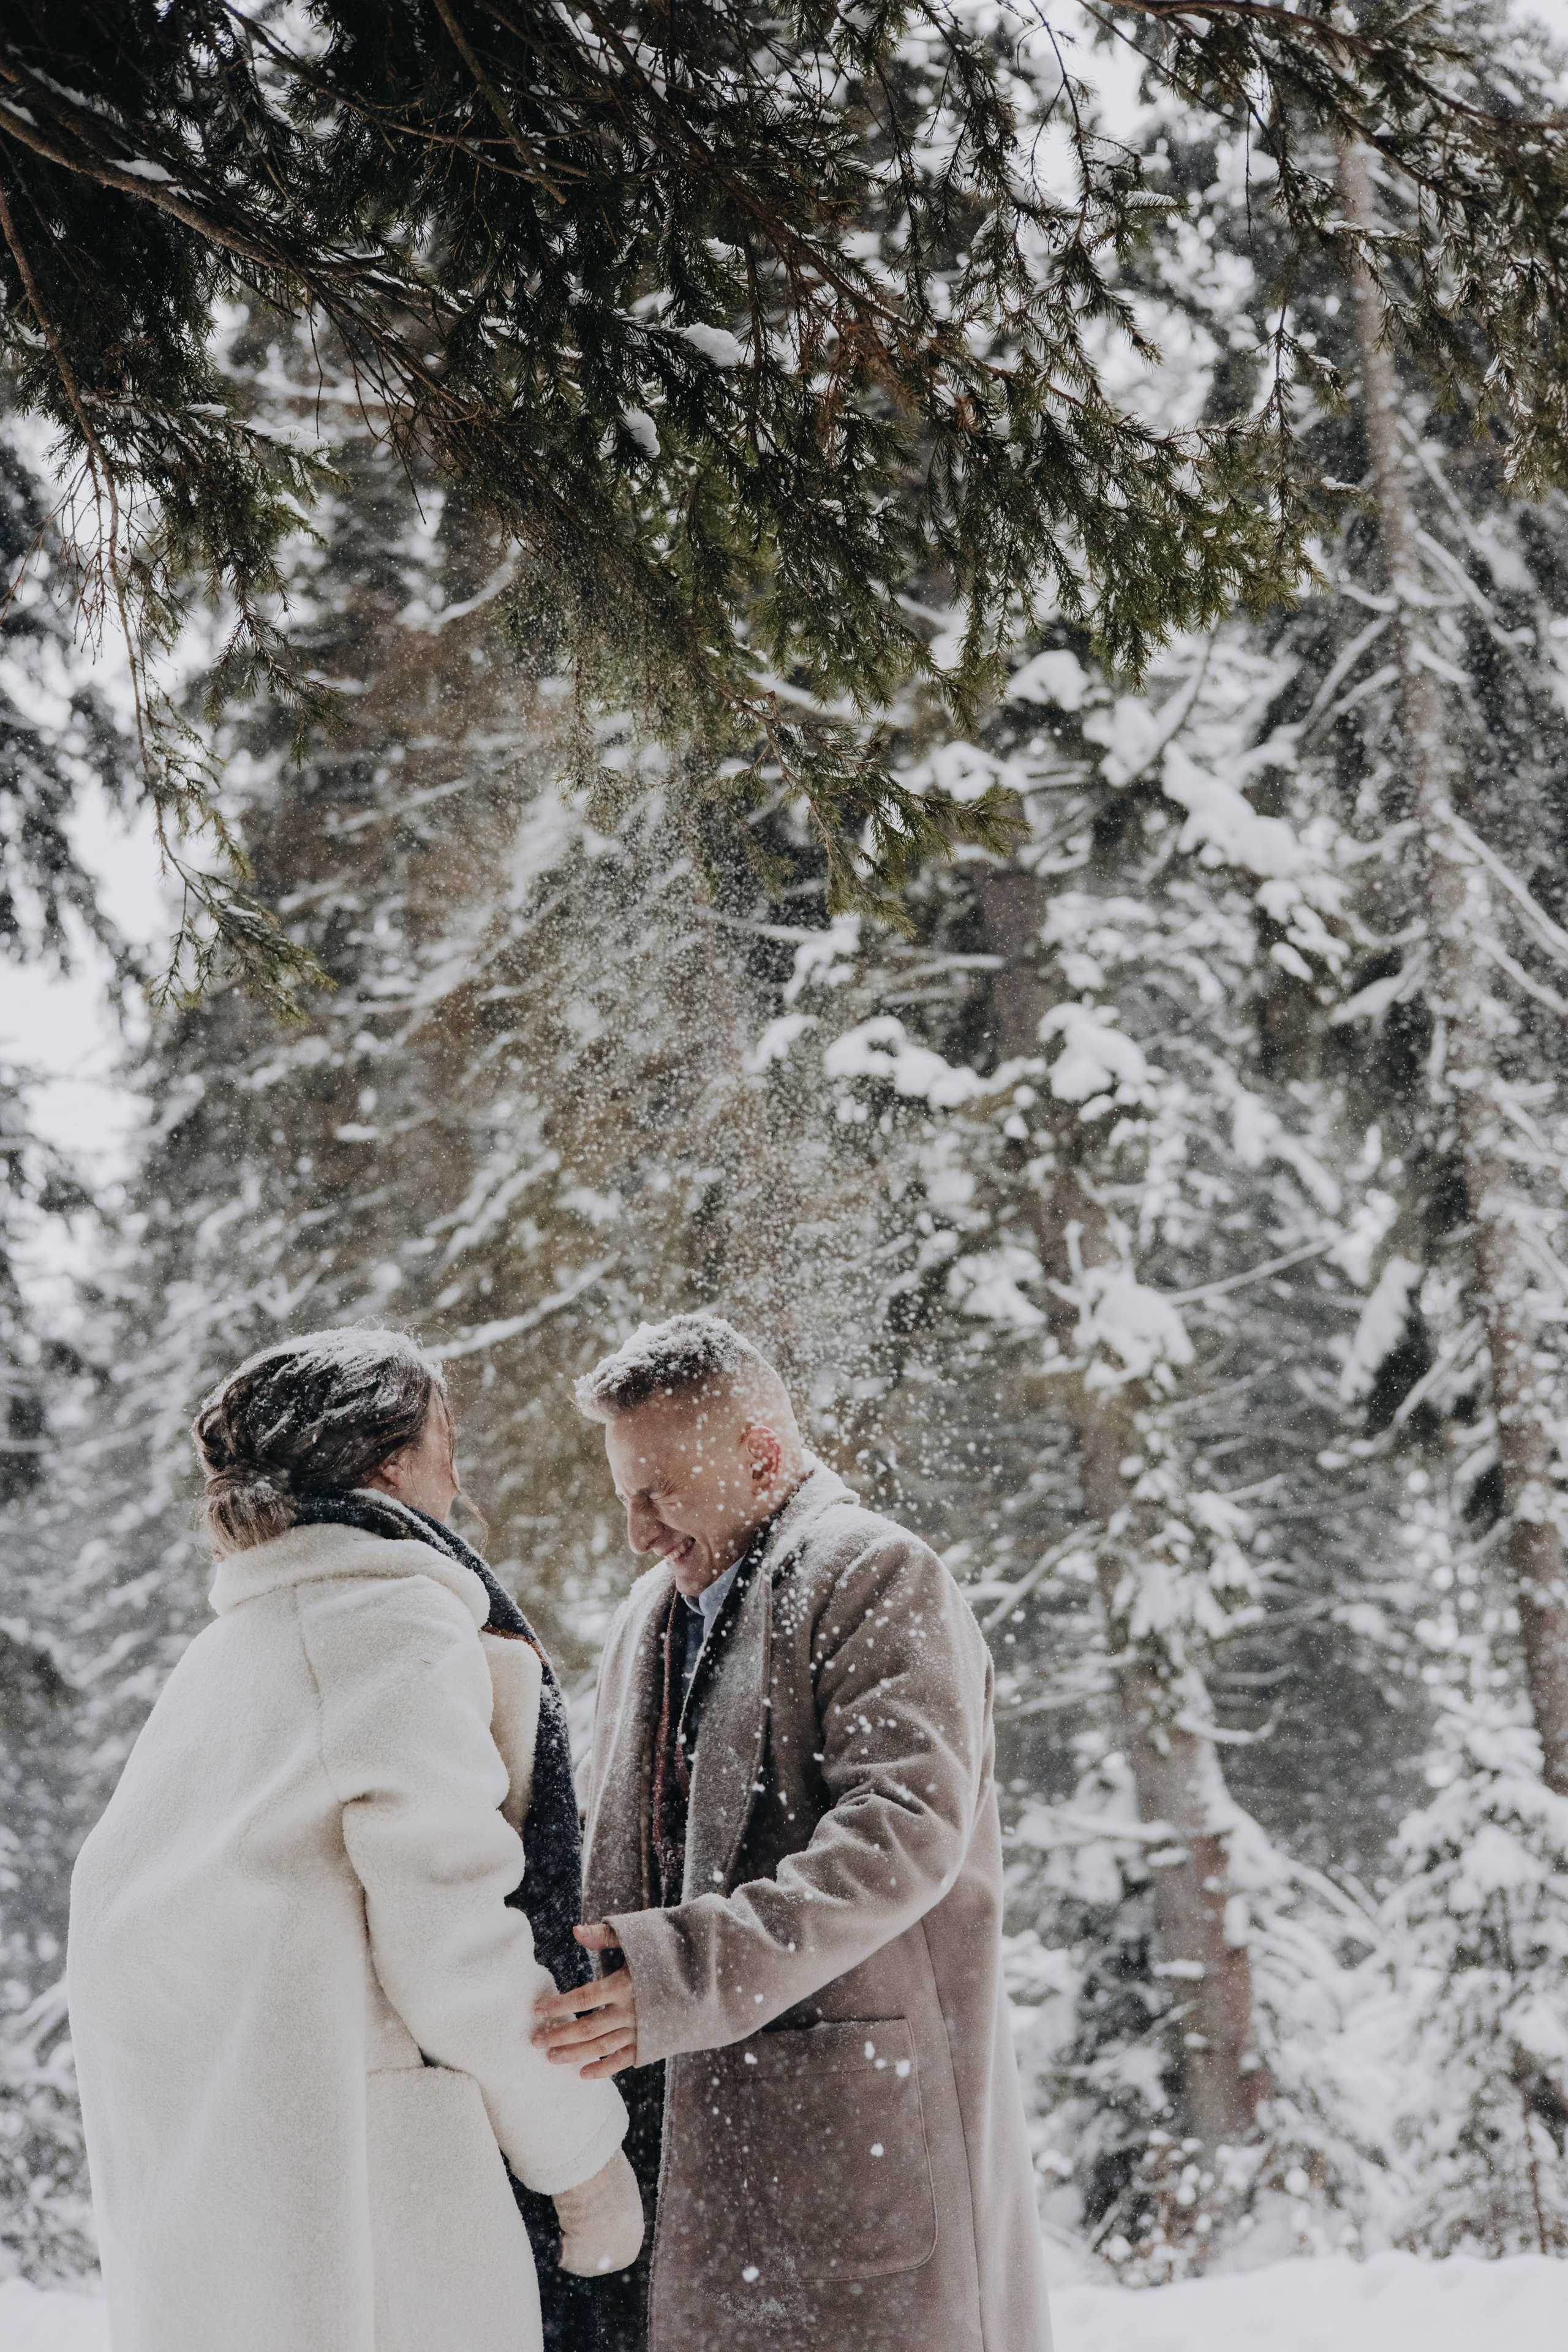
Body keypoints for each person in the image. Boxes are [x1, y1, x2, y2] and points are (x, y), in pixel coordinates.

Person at [67, 1329, 643, 2352]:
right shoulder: (383, 1625)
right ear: (387, 1464)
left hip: (235, 2235)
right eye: (445, 1445)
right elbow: (455, 1939)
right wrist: (582, 2158)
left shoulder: (222, 1667)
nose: (460, 1483)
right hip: (373, 2217)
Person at [532, 1312, 1053, 2352]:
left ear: (762, 1456)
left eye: (661, 1492)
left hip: (851, 2148)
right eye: (625, 1494)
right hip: (692, 2161)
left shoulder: (878, 1573)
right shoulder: (650, 1610)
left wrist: (678, 1975)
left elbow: (903, 1832)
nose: (639, 1529)